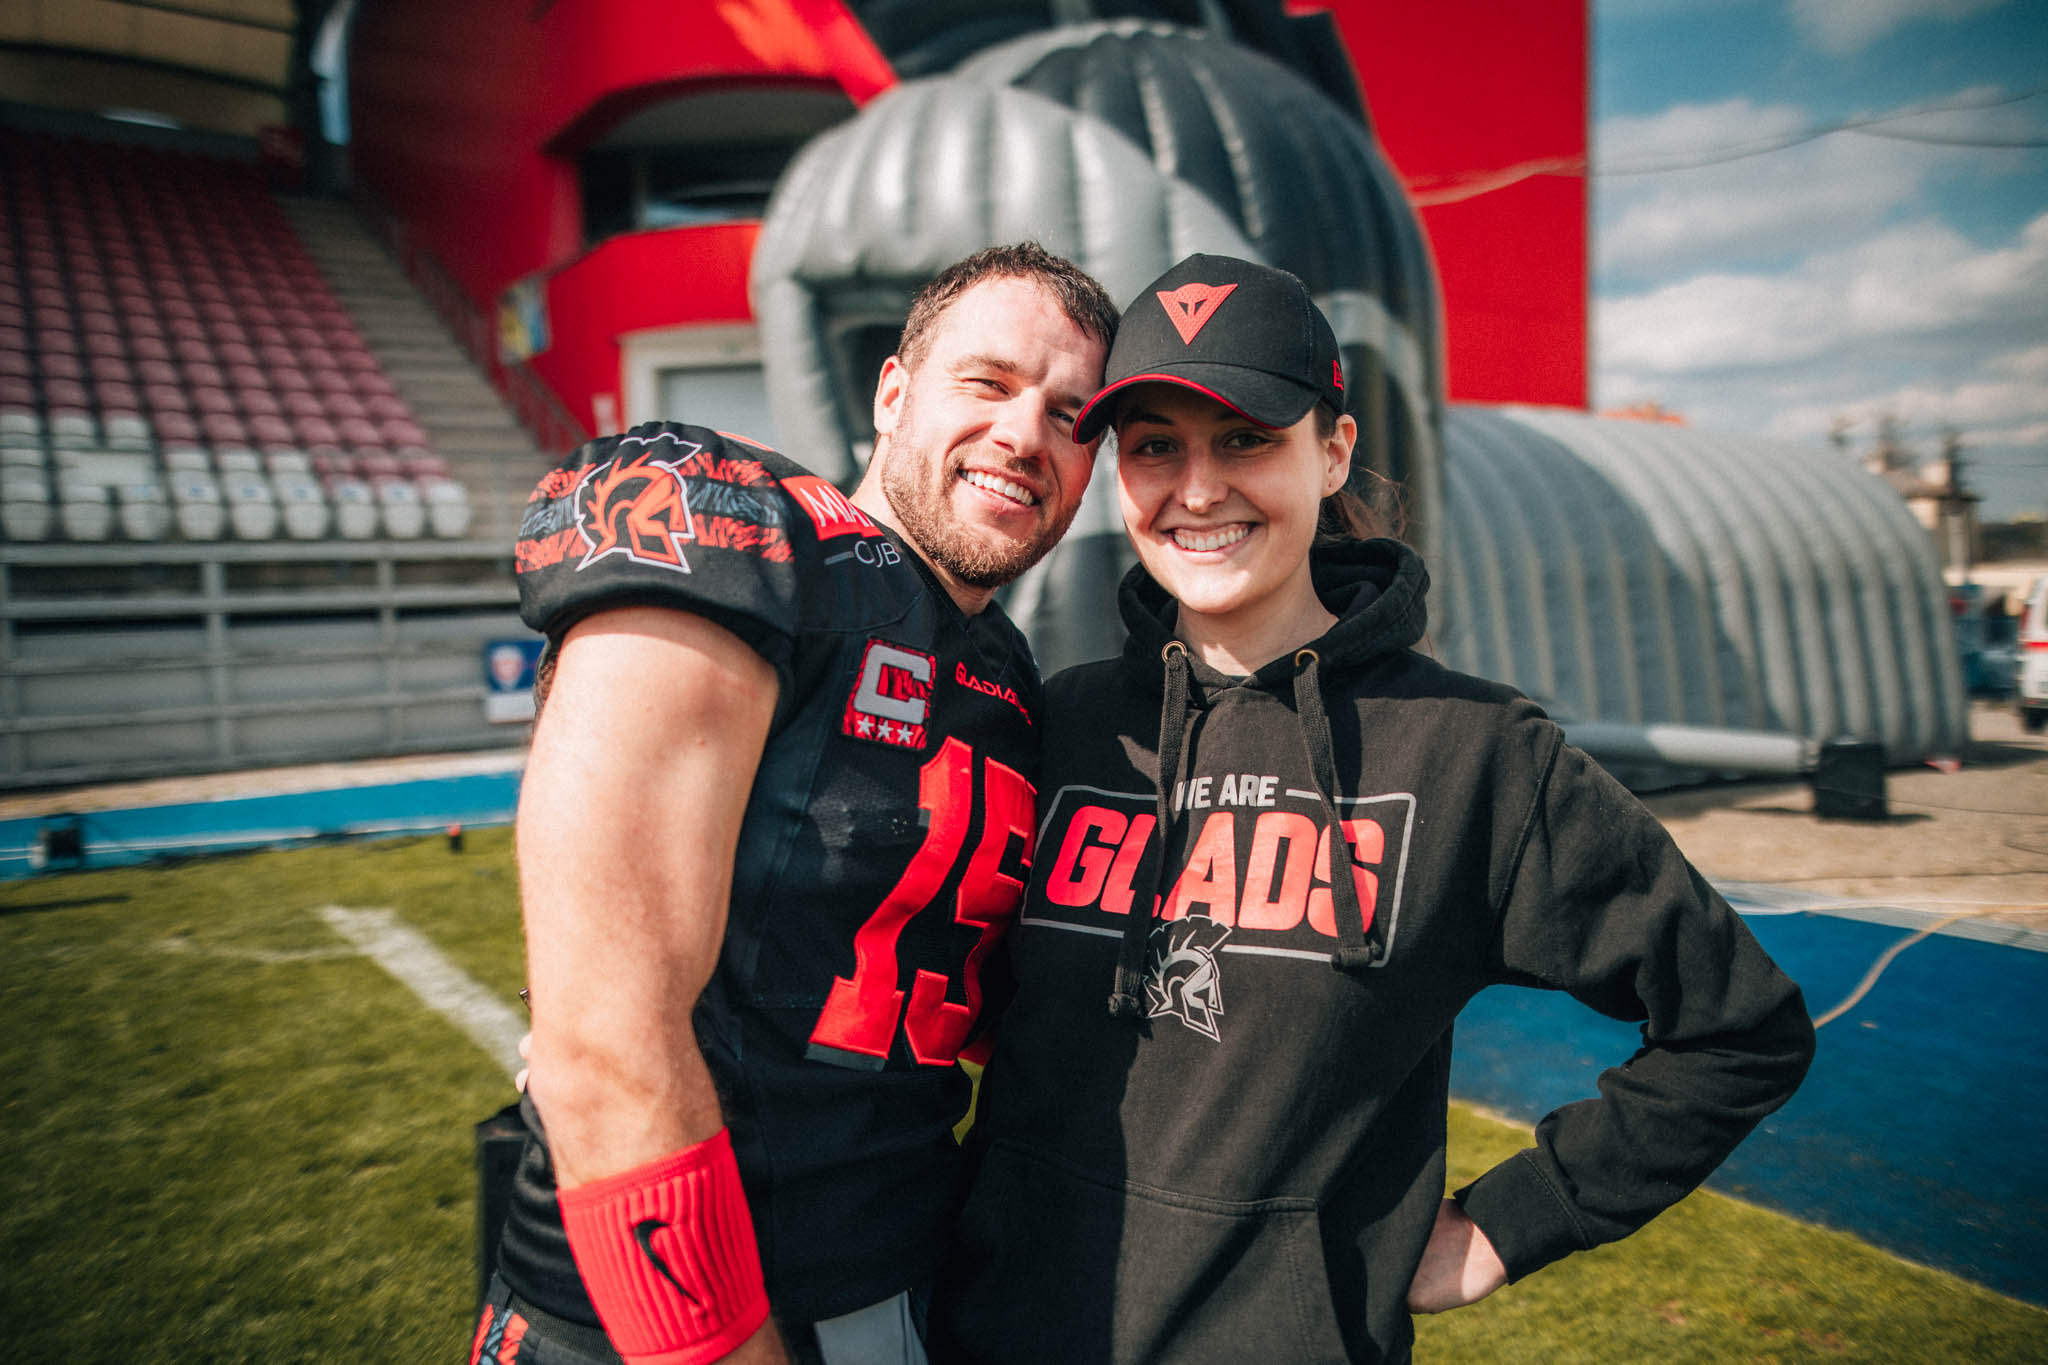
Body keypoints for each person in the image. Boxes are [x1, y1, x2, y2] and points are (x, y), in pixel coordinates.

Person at [929, 253, 1817, 1363]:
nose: (1196, 490)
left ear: (1333, 449)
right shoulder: (1060, 722)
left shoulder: (1476, 752)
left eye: (1245, 439)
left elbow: (1738, 1027)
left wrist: (1507, 1225)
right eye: (1155, 446)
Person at [473, 243, 1119, 1365]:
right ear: (892, 392)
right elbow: (605, 1040)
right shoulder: (747, 531)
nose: (1025, 434)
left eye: (1070, 416)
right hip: (647, 1307)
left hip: (899, 1278)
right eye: (989, 381)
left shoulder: (1010, 679)